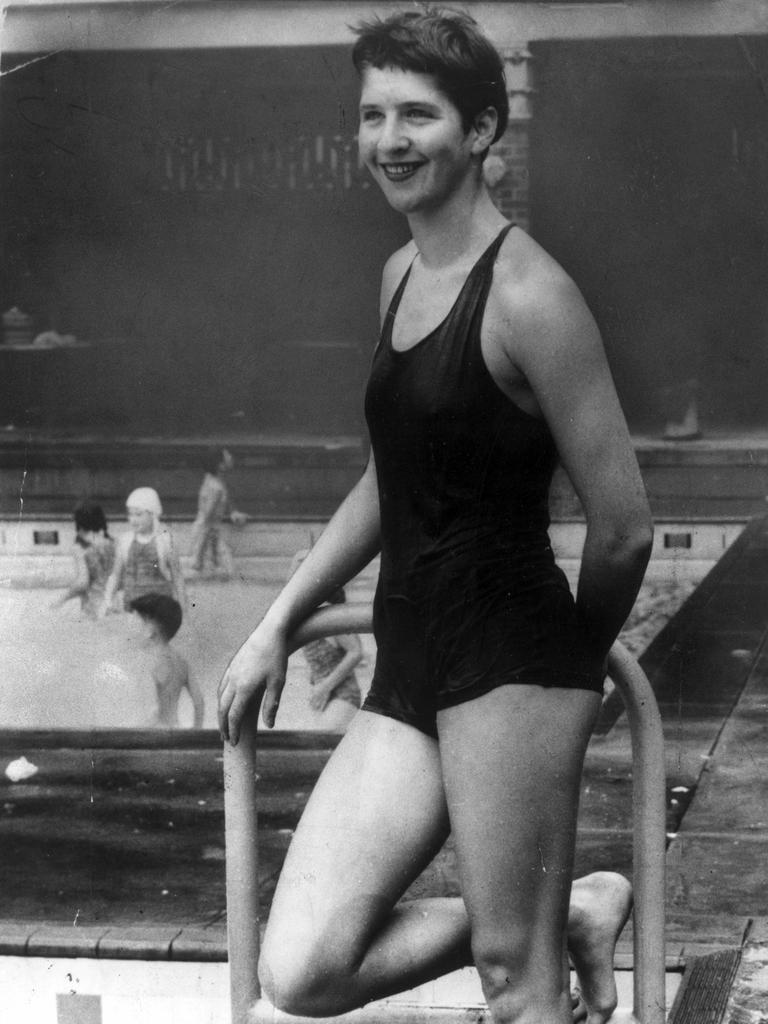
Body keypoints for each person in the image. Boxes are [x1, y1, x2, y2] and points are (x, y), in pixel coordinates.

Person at [218, 10, 653, 1024]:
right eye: (373, 115)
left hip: (512, 656)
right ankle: (578, 907)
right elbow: (388, 481)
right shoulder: (399, 276)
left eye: (419, 114)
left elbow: (625, 521)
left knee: (517, 984)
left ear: (484, 130)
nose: (390, 140)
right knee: (303, 969)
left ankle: (545, 928)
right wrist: (281, 616)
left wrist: (567, 672)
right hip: (412, 648)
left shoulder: (534, 296)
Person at [289, 548, 363, 732]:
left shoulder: (328, 612)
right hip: (322, 697)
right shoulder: (304, 614)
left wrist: (324, 686)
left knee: (320, 741)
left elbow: (356, 651)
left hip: (344, 696)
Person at [101, 487, 188, 617]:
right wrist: (107, 600)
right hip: (132, 605)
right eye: (130, 514)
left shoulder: (165, 540)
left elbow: (177, 576)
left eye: (138, 514)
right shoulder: (125, 541)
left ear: (152, 514)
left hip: (160, 605)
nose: (133, 519)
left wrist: (183, 607)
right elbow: (116, 575)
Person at [129, 592, 204, 728]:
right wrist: (196, 731)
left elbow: (150, 712)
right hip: (175, 732)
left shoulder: (146, 662)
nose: (132, 632)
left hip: (151, 737)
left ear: (151, 630)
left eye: (137, 624)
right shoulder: (182, 662)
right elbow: (199, 703)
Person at [188, 448, 247, 579]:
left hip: (208, 530)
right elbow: (207, 517)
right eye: (227, 457)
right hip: (207, 531)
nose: (231, 457)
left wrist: (233, 511)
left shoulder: (212, 479)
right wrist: (201, 551)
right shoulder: (216, 487)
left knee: (218, 571)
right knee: (223, 570)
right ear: (220, 465)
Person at [51, 500, 116, 618]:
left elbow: (82, 582)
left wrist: (61, 599)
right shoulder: (114, 544)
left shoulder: (80, 549)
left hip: (94, 606)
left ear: (79, 524)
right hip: (115, 603)